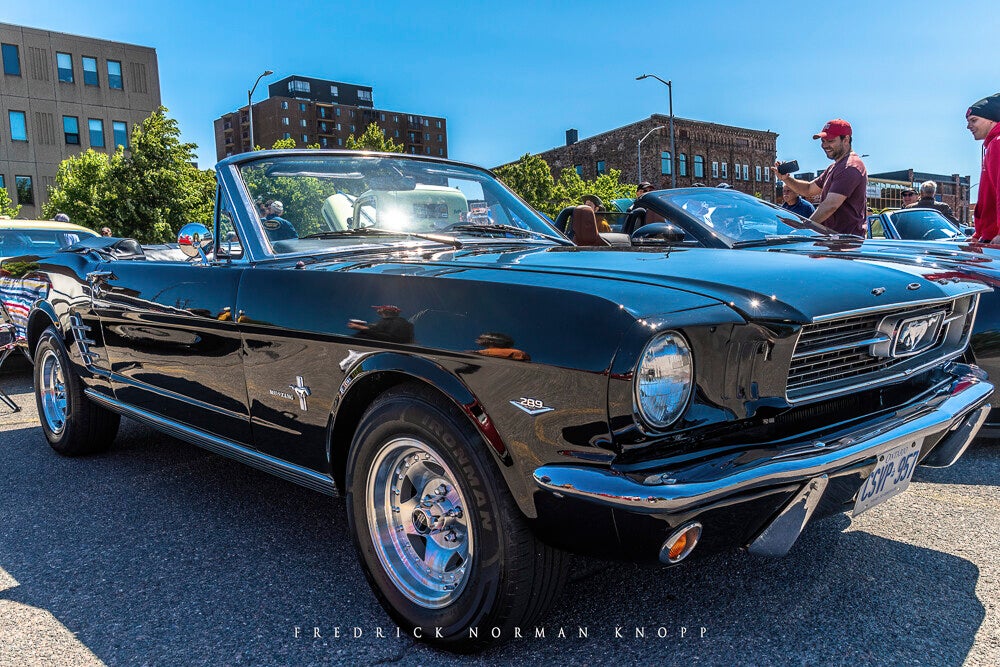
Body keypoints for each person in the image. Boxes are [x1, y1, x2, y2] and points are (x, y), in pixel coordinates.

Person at [773, 119, 868, 237]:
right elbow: (808, 189)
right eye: (823, 141)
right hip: (833, 241)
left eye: (830, 141)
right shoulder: (834, 167)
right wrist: (786, 179)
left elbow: (830, 205)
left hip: (846, 242)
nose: (824, 145)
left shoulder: (850, 167)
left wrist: (804, 228)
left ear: (846, 140)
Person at [967, 93, 1000, 244]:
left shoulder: (998, 143)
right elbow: (987, 196)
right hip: (989, 236)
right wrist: (978, 233)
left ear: (992, 119)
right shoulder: (991, 145)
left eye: (974, 120)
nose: (969, 126)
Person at [347, 305, 414, 343]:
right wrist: (363, 328)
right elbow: (377, 331)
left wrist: (362, 328)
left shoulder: (400, 322)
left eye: (381, 308)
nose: (378, 310)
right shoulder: (384, 321)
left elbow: (391, 338)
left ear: (388, 311)